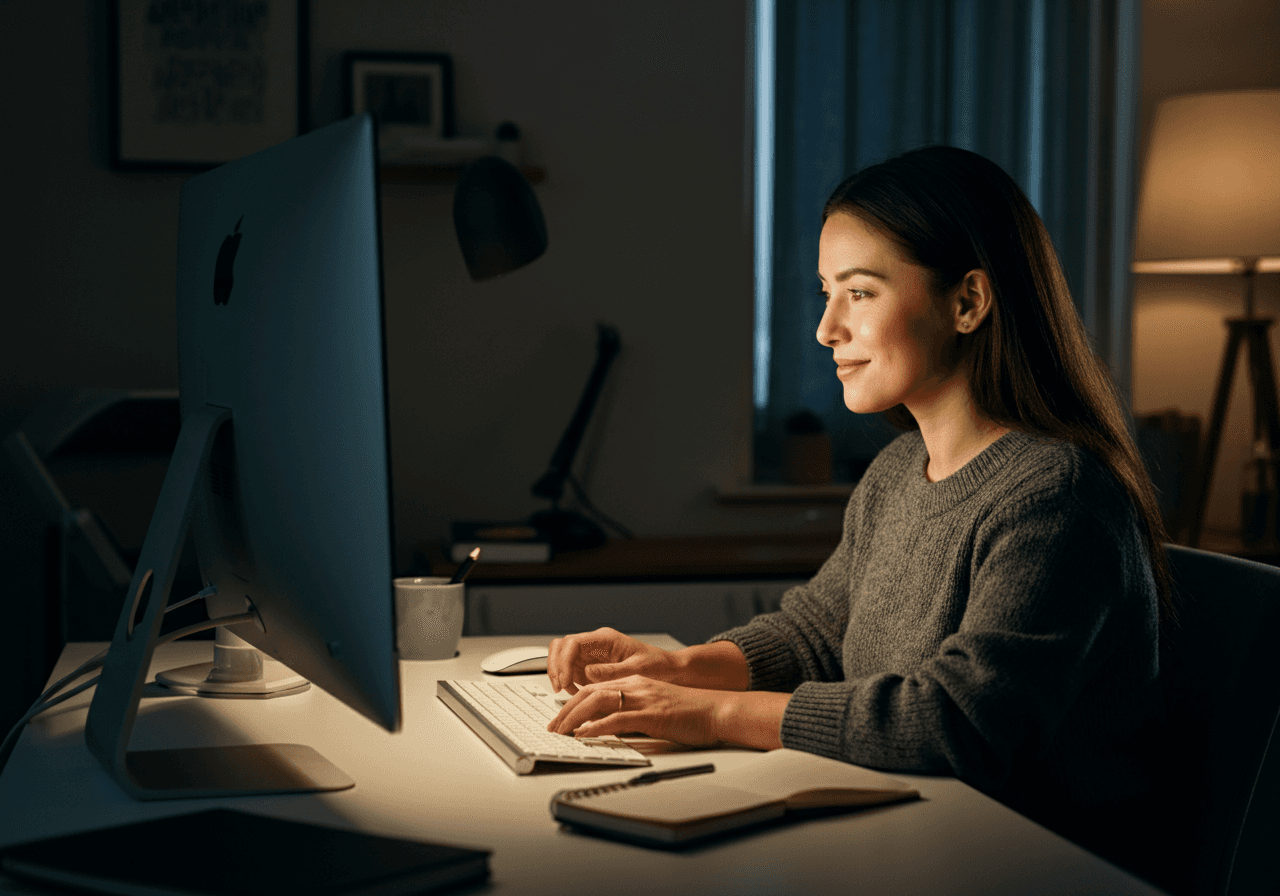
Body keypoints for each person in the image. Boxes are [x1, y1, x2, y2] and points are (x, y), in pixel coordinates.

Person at [545, 145, 1169, 865]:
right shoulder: (899, 470)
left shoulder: (1057, 497)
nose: (826, 329)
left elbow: (955, 723)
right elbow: (816, 634)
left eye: (860, 292)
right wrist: (676, 669)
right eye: (824, 292)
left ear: (968, 301)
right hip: (914, 841)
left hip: (1032, 866)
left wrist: (713, 714)